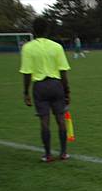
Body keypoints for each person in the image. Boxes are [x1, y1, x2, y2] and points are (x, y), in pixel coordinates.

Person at [19, 17, 71, 162]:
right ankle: (63, 153)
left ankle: (47, 154)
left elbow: (27, 73)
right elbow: (63, 72)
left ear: (33, 31)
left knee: (44, 121)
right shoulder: (56, 47)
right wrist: (67, 92)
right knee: (60, 119)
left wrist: (25, 93)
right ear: (47, 30)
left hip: (40, 87)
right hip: (56, 85)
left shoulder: (28, 48)